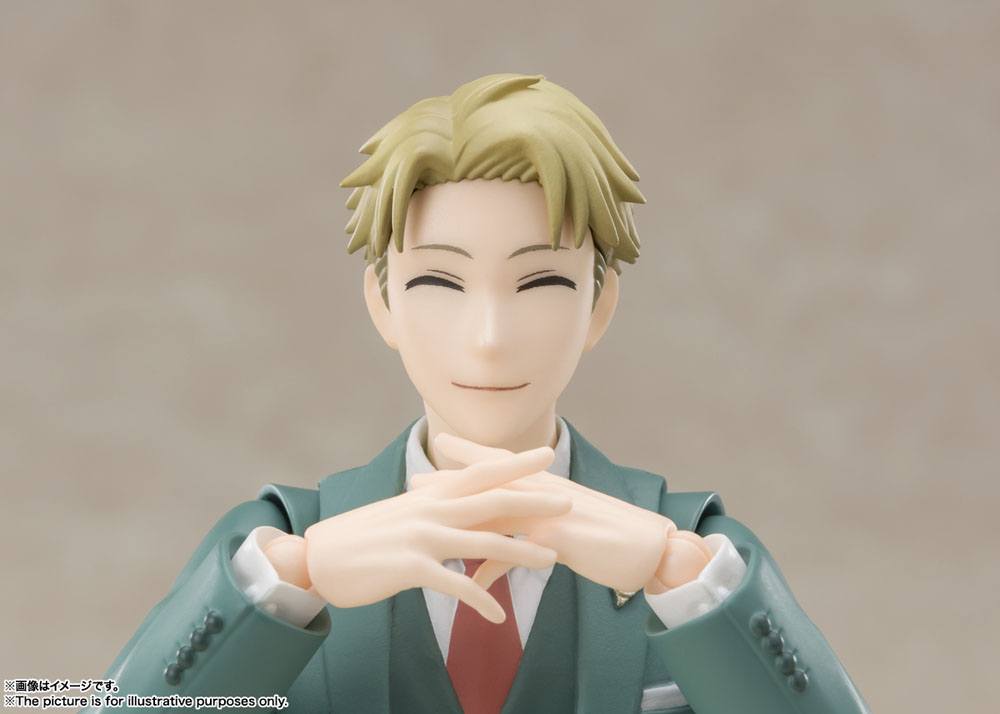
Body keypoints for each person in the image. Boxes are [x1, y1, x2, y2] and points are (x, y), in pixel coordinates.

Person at [92, 74, 869, 714]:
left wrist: (683, 578)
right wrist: (294, 579)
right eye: (437, 281)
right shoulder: (279, 544)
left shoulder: (695, 548)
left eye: (542, 281)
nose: (489, 337)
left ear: (599, 307)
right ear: (382, 303)